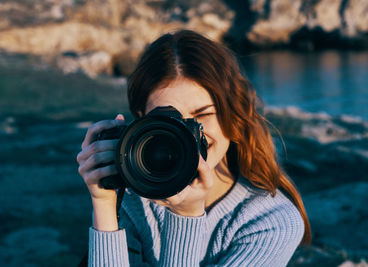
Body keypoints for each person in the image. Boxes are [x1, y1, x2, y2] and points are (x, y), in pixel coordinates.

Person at [76, 29, 311, 266]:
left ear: (233, 114)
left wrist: (186, 215)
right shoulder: (133, 198)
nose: (189, 133)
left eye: (203, 114)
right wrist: (104, 204)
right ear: (142, 122)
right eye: (171, 120)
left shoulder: (271, 221)